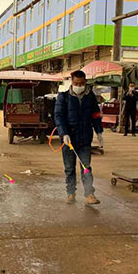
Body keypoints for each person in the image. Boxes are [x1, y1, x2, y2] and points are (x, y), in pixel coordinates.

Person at [54, 70, 103, 206]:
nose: (79, 86)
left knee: (86, 167)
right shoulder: (63, 97)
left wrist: (99, 131)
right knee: (69, 169)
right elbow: (58, 116)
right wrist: (64, 134)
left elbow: (95, 114)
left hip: (85, 138)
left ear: (85, 82)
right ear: (72, 81)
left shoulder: (90, 97)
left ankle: (89, 194)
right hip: (68, 140)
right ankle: (71, 193)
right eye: (76, 83)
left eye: (81, 84)